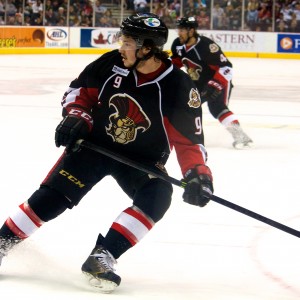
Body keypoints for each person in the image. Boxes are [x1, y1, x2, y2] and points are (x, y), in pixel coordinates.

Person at [0, 13, 213, 293]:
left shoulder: (178, 86)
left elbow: (189, 141)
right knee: (51, 199)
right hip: (94, 146)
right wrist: (77, 116)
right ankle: (2, 243)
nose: (120, 47)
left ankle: (103, 256)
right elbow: (78, 92)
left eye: (126, 42)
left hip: (141, 160)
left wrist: (197, 174)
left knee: (158, 196)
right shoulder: (111, 63)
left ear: (147, 49)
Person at [171, 16, 253, 149]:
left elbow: (226, 67)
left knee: (217, 108)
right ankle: (186, 135)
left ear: (191, 31)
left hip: (218, 81)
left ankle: (241, 136)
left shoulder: (206, 46)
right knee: (187, 106)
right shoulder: (178, 44)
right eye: (178, 29)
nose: (179, 32)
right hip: (197, 83)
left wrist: (214, 85)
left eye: (182, 30)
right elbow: (176, 62)